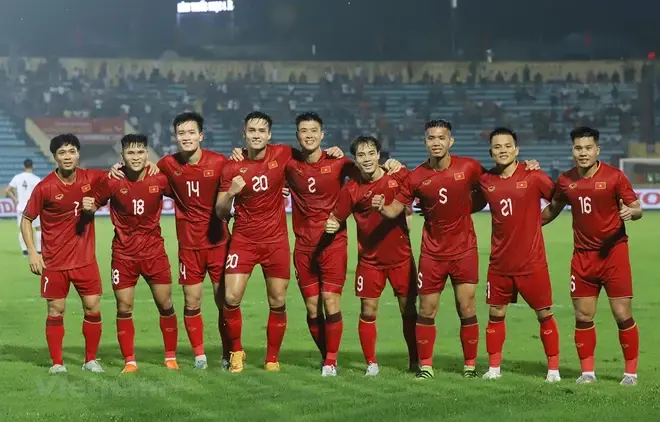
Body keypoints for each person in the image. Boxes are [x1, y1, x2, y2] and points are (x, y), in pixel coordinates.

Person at [376, 119, 540, 379]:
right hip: (432, 252)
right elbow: (394, 209)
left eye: (442, 138)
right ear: (425, 142)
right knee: (427, 309)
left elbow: (494, 183)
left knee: (467, 308)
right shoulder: (416, 176)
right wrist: (381, 207)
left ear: (450, 141)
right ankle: (426, 366)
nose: (437, 142)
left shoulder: (469, 167)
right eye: (432, 138)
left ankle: (470, 366)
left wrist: (527, 167)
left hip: (464, 250)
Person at [216, 111, 344, 373]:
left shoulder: (283, 154)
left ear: (269, 135)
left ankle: (272, 358)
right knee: (230, 297)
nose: (256, 135)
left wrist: (333, 152)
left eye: (262, 131)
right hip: (244, 239)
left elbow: (312, 156)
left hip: (276, 241)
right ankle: (236, 351)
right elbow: (220, 211)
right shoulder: (231, 167)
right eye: (252, 130)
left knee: (277, 300)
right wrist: (231, 192)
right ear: (244, 134)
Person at [542, 126, 642, 386]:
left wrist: (632, 213)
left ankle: (630, 373)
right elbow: (553, 209)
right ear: (572, 150)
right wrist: (527, 225)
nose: (583, 153)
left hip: (614, 254)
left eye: (588, 148)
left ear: (597, 150)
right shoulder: (565, 181)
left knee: (622, 314)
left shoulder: (614, 177)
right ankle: (588, 373)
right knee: (583, 316)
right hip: (583, 257)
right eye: (578, 148)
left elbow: (636, 207)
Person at [326, 135, 418, 377]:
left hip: (401, 258)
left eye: (370, 153)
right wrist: (331, 224)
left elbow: (416, 191)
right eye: (361, 155)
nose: (366, 159)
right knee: (368, 311)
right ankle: (371, 363)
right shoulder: (351, 189)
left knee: (408, 311)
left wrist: (400, 168)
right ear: (355, 159)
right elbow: (337, 217)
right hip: (370, 261)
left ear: (379, 155)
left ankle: (416, 360)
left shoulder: (396, 176)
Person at [86, 134, 179, 373]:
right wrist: (87, 207)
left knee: (165, 303)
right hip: (124, 255)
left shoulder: (159, 179)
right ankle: (130, 361)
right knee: (124, 307)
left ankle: (170, 356)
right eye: (130, 153)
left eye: (140, 152)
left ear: (146, 154)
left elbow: (186, 195)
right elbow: (93, 204)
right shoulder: (113, 181)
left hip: (154, 252)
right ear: (122, 156)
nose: (135, 157)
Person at [477, 127, 560, 382]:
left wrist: (539, 220)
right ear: (491, 151)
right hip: (499, 264)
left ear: (517, 150)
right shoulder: (485, 180)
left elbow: (559, 198)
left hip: (531, 262)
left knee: (544, 313)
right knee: (495, 314)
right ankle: (493, 368)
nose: (502, 150)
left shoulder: (533, 175)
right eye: (497, 147)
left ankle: (554, 370)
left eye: (507, 146)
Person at [21, 134, 107, 374]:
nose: (67, 156)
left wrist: (97, 205)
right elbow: (26, 219)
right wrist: (32, 253)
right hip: (55, 262)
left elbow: (118, 176)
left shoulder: (92, 177)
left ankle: (90, 360)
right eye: (62, 153)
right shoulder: (45, 187)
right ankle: (57, 364)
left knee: (93, 307)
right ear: (55, 157)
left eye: (71, 151)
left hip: (85, 260)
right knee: (55, 310)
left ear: (78, 153)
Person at [157, 112, 231, 370]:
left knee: (225, 302)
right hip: (189, 246)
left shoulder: (220, 162)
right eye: (181, 133)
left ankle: (228, 352)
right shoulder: (167, 163)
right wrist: (117, 168)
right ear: (175, 137)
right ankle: (199, 355)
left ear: (201, 135)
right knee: (192, 301)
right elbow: (143, 173)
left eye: (191, 133)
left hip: (219, 243)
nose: (186, 137)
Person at [6, 159, 42, 256]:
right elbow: (41, 194)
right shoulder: (36, 179)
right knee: (38, 228)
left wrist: (15, 199)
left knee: (23, 228)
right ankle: (39, 250)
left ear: (24, 166)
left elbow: (8, 190)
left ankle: (25, 251)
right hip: (33, 207)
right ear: (32, 166)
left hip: (21, 207)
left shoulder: (17, 177)